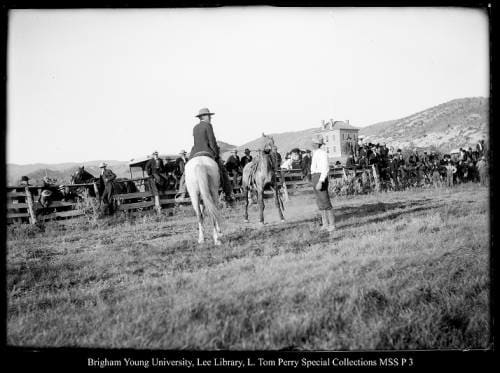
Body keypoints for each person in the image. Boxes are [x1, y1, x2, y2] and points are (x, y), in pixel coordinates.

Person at [189, 107, 234, 205]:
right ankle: (228, 194)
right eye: (209, 115)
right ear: (203, 117)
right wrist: (216, 154)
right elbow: (212, 141)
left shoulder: (195, 127)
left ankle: (182, 191)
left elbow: (196, 142)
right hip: (207, 151)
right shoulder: (208, 125)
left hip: (195, 153)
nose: (210, 117)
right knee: (223, 171)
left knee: (186, 172)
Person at [311, 135, 335, 232]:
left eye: (313, 142)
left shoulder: (322, 154)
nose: (312, 144)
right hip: (315, 176)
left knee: (325, 201)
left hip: (320, 177)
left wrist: (321, 181)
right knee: (320, 202)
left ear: (317, 144)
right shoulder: (315, 153)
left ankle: (332, 225)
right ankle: (325, 224)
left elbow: (325, 168)